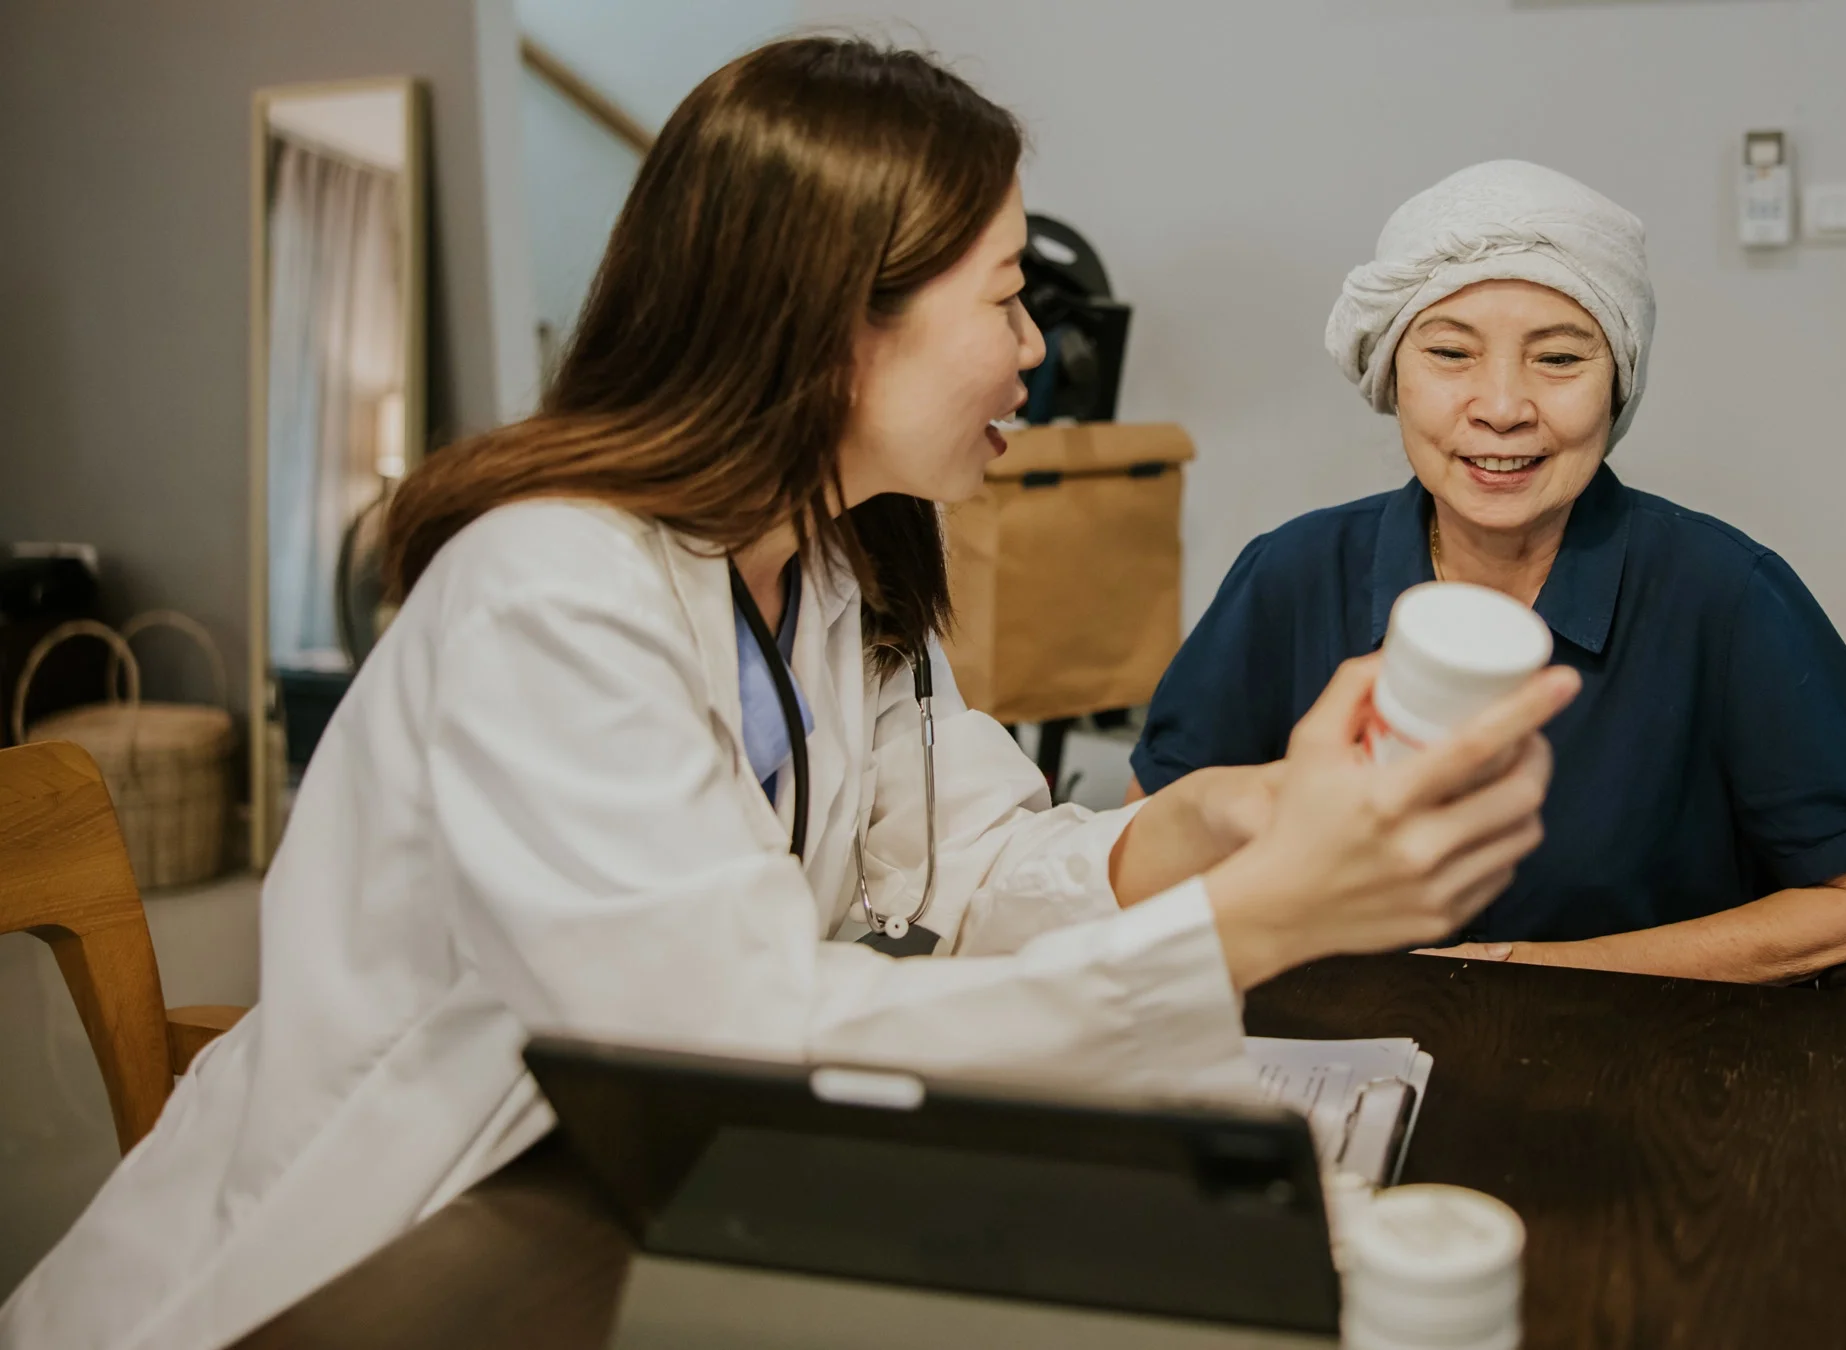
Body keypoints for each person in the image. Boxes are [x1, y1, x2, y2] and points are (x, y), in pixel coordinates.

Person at [0, 45, 1575, 1350]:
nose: (1040, 351)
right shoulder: (549, 593)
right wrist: (1263, 919)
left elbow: (955, 867)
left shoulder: (834, 569)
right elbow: (728, 1048)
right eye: (1008, 298)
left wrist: (1211, 827)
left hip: (642, 1209)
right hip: (391, 1249)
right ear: (840, 320)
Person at [1132, 160, 1846, 984]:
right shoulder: (1290, 577)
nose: (1504, 406)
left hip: (1645, 1071)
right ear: (1391, 377)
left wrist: (1523, 972)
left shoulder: (1724, 597)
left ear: (1617, 384)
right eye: (1450, 353)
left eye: (1557, 359)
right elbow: (1140, 853)